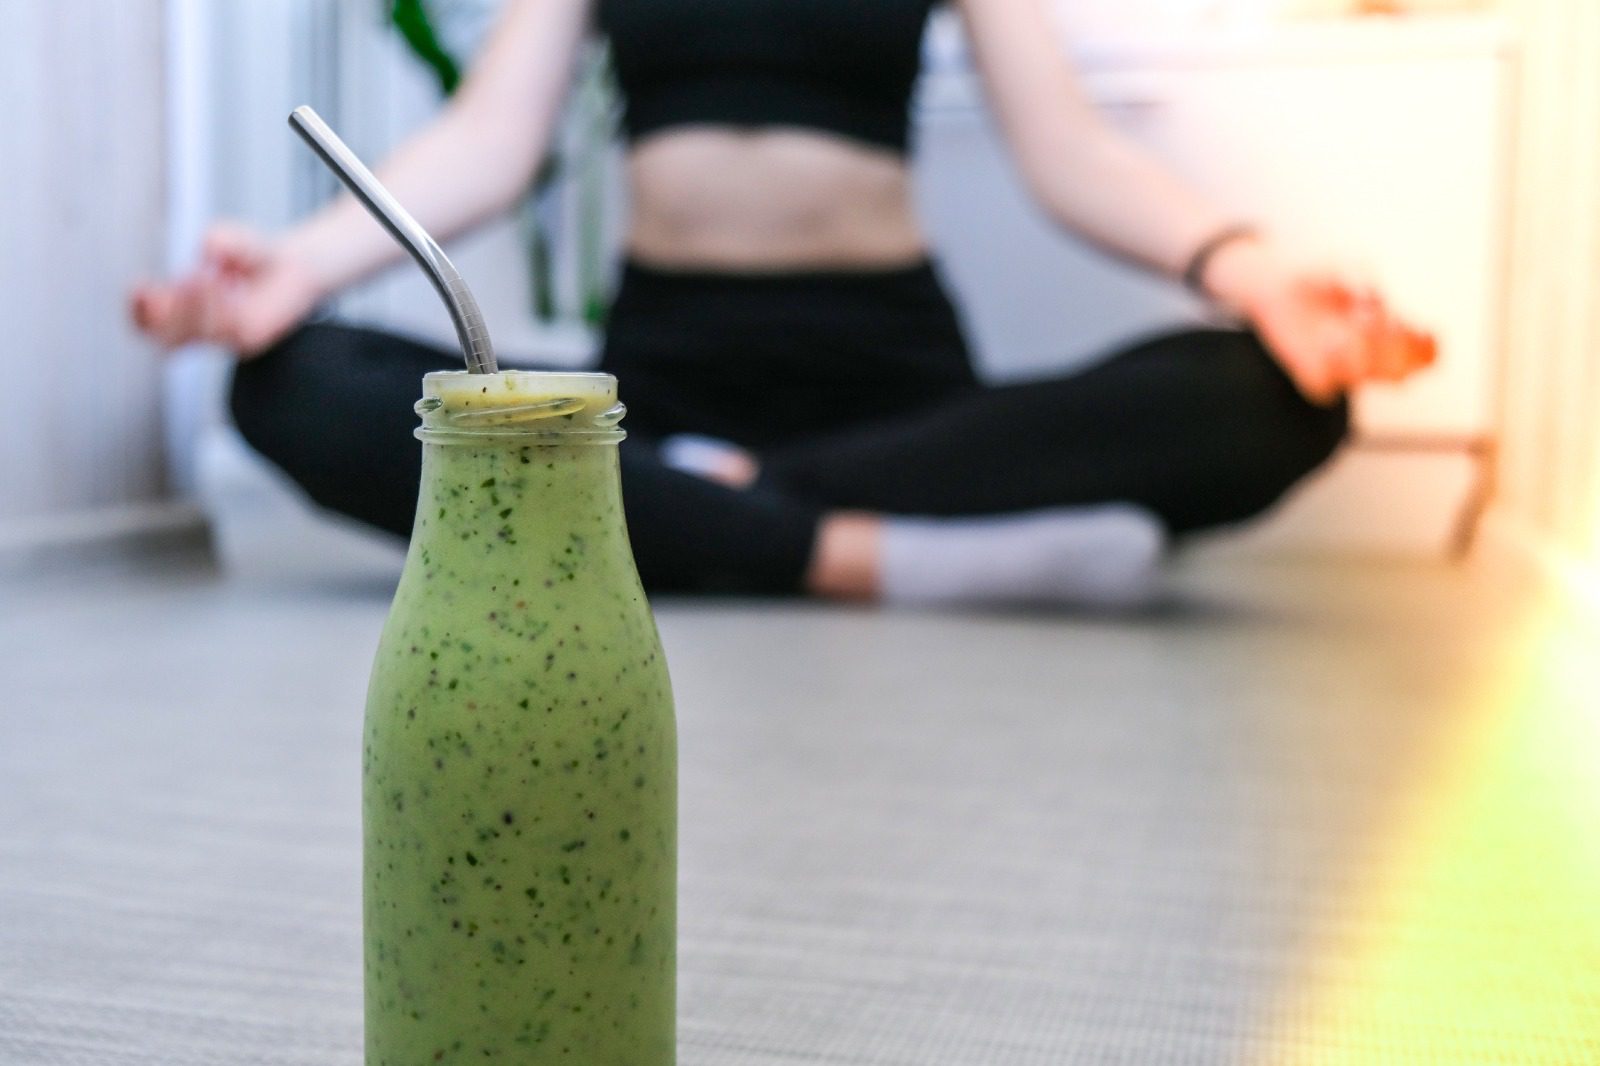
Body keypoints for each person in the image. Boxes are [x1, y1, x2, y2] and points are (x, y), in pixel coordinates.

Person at [131, 0, 1434, 608]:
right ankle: (858, 551)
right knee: (287, 381)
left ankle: (719, 508)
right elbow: (488, 142)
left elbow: (1072, 153)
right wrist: (299, 266)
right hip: (660, 383)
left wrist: (1257, 274)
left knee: (1283, 396)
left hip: (896, 386)